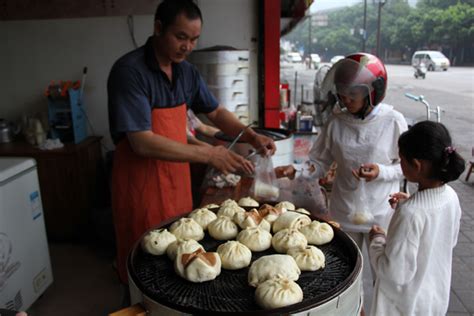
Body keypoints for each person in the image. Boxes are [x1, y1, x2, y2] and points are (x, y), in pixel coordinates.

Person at [107, 0, 275, 284]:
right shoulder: (130, 71)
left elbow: (216, 112)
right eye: (181, 37)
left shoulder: (186, 71)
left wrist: (250, 134)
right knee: (145, 264)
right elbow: (141, 142)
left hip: (176, 179)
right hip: (140, 182)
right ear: (158, 28)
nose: (187, 46)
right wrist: (210, 155)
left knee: (183, 256)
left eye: (194, 39)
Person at [275, 52, 408, 264]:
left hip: (382, 212)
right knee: (347, 271)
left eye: (353, 94)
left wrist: (381, 172)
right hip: (344, 212)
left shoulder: (392, 121)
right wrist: (296, 170)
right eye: (342, 94)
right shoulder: (336, 121)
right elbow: (320, 163)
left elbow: (406, 167)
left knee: (382, 273)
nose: (346, 100)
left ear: (374, 92)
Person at [368, 121, 465, 315]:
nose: (399, 163)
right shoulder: (450, 197)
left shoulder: (410, 213)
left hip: (404, 307)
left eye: (401, 159)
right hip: (433, 299)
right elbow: (446, 240)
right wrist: (411, 201)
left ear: (417, 165)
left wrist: (377, 241)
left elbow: (393, 273)